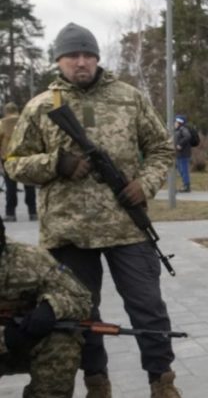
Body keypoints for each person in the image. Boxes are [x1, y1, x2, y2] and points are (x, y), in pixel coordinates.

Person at [4, 22, 181, 398]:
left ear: (98, 58)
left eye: (87, 55)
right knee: (81, 312)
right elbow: (13, 163)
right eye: (72, 56)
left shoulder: (129, 98)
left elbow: (163, 148)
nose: (81, 62)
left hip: (127, 228)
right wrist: (56, 164)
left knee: (148, 306)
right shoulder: (40, 107)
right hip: (67, 231)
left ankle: (162, 381)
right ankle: (96, 382)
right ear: (59, 60)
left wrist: (144, 184)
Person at [0, 218, 93, 397]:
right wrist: (6, 338)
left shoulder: (29, 257)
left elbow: (80, 297)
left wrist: (51, 307)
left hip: (28, 342)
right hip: (10, 339)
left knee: (62, 343)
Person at [0, 103, 36, 222]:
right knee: (29, 186)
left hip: (9, 159)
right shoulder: (25, 121)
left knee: (11, 187)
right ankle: (33, 212)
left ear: (6, 111)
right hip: (26, 158)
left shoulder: (2, 123)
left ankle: (10, 213)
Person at [172, 115, 193, 193]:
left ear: (179, 122)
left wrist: (180, 144)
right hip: (178, 154)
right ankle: (184, 184)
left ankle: (186, 186)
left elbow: (187, 136)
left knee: (184, 170)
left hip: (183, 154)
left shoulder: (183, 129)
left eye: (176, 122)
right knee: (181, 170)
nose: (174, 123)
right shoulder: (177, 130)